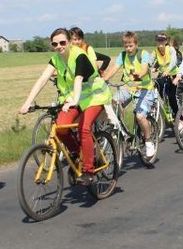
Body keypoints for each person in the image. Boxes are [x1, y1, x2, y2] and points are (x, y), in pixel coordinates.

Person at [19, 27, 112, 185]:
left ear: (69, 42)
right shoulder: (56, 59)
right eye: (55, 44)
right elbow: (42, 79)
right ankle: (77, 154)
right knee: (61, 128)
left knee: (84, 128)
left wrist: (75, 99)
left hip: (94, 96)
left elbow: (78, 79)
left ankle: (89, 170)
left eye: (62, 42)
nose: (59, 46)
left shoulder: (79, 56)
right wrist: (28, 102)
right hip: (73, 98)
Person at [101, 31, 156, 159]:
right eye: (126, 46)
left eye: (130, 45)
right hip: (128, 88)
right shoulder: (123, 55)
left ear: (136, 44)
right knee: (113, 103)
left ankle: (148, 141)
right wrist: (104, 80)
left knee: (140, 116)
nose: (128, 48)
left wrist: (138, 76)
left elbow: (144, 69)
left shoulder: (143, 54)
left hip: (144, 89)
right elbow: (114, 69)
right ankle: (122, 131)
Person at [151, 33, 180, 118]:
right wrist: (147, 69)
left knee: (172, 97)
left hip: (173, 74)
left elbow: (174, 61)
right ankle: (163, 111)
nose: (160, 42)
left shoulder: (170, 49)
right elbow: (150, 61)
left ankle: (178, 117)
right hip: (162, 74)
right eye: (158, 40)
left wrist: (168, 70)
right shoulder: (155, 51)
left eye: (162, 40)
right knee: (157, 90)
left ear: (166, 41)